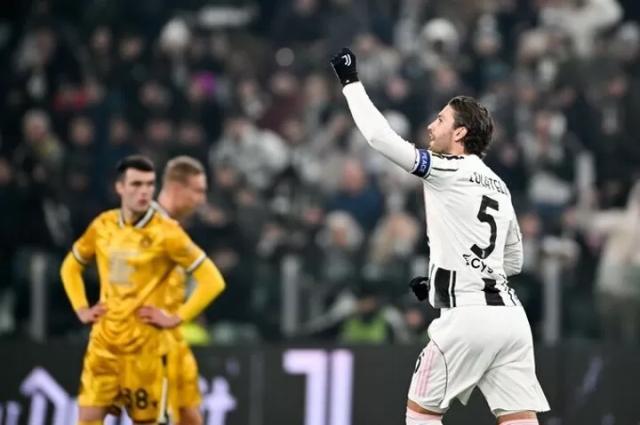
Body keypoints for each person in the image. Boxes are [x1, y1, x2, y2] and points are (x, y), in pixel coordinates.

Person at [330, 48, 549, 425]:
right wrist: (440, 282)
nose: (432, 126)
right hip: (511, 320)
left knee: (421, 415)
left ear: (460, 133)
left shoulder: (447, 168)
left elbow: (380, 138)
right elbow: (513, 261)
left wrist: (350, 83)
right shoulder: (499, 186)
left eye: (441, 119)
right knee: (519, 419)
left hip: (467, 319)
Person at [60, 155, 226, 425]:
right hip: (112, 343)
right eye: (198, 191)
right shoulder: (108, 226)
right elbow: (77, 267)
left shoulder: (168, 231)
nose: (202, 199)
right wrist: (82, 308)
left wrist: (176, 317)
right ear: (120, 187)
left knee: (188, 415)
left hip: (155, 343)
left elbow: (212, 280)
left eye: (149, 184)